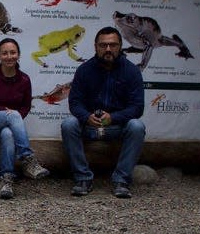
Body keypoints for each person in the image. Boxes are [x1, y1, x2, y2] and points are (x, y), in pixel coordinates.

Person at [61, 26, 145, 199]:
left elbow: (137, 107)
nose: (108, 49)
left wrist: (113, 117)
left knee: (137, 126)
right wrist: (87, 117)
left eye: (113, 45)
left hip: (117, 127)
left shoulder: (132, 71)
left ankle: (121, 181)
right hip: (90, 126)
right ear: (95, 46)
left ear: (120, 46)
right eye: (103, 45)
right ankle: (83, 179)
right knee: (68, 124)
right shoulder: (84, 70)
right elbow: (75, 102)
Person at [0, 38, 50, 200]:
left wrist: (13, 119)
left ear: (19, 55)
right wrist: (6, 112)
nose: (9, 56)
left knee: (8, 133)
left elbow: (25, 107)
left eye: (13, 52)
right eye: (5, 53)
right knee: (13, 115)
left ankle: (6, 179)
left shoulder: (24, 80)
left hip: (8, 126)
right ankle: (27, 159)